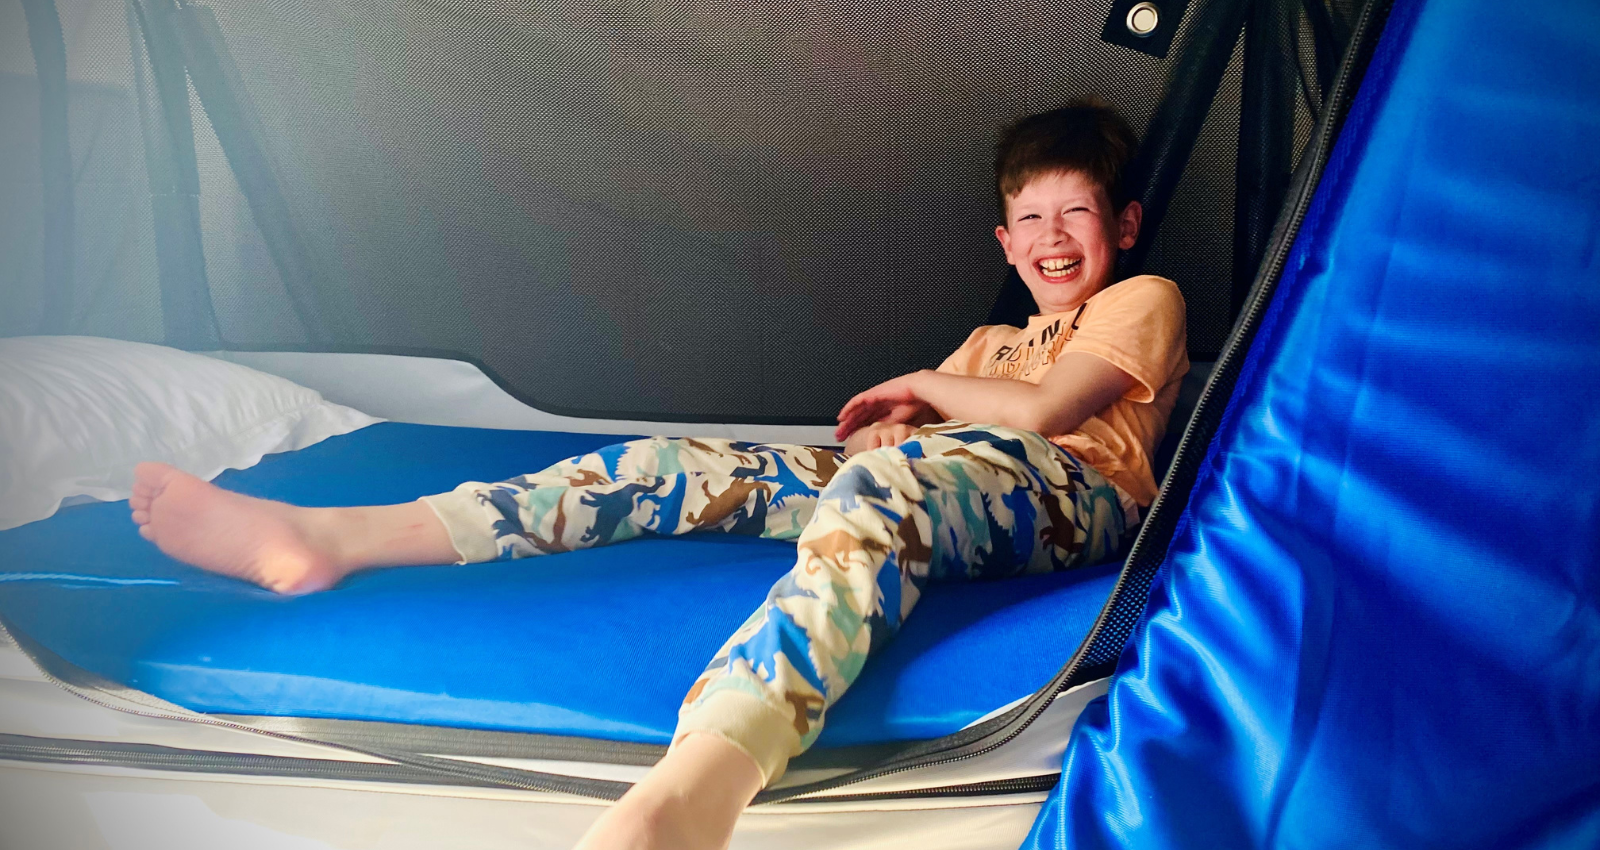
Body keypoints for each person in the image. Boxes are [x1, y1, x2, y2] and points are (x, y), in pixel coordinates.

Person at [129, 98, 1187, 850]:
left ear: (1122, 228)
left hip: (1073, 498)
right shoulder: (985, 338)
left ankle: (699, 786)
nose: (1054, 238)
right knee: (667, 464)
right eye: (1033, 220)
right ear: (1005, 240)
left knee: (880, 491)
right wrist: (898, 421)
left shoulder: (1142, 301)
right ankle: (335, 537)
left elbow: (1045, 415)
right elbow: (917, 426)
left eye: (1077, 214)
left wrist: (913, 396)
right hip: (941, 482)